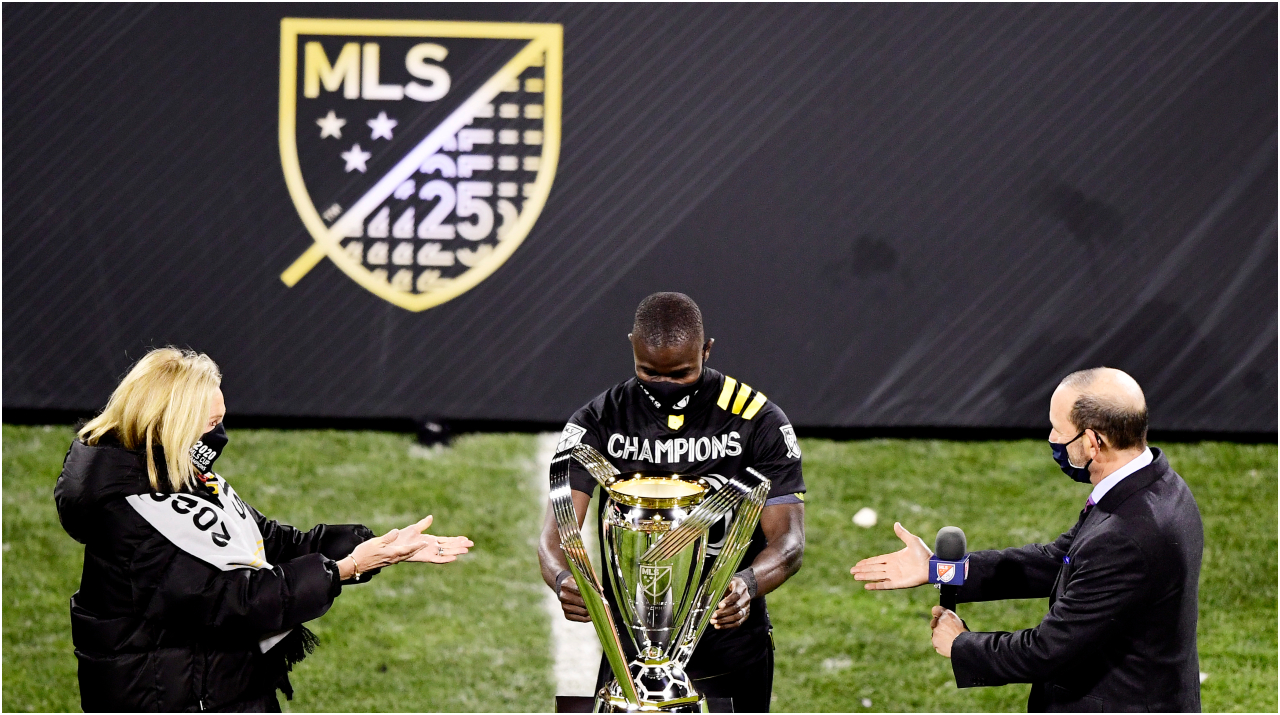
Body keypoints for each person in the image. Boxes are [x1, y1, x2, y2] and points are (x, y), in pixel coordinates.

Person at [54, 347, 473, 712]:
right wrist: (345, 568)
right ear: (172, 425)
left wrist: (377, 546)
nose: (218, 435)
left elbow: (270, 543)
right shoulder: (132, 518)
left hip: (214, 688)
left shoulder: (175, 477)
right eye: (209, 423)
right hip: (171, 699)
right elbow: (239, 601)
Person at [851, 367, 1203, 712]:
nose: (1052, 438)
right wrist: (939, 569)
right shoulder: (1157, 484)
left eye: (1059, 430)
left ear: (1093, 442)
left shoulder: (1126, 534)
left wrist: (961, 644)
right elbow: (1057, 560)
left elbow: (1048, 650)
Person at [537, 292, 806, 713]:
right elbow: (555, 535)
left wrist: (746, 585)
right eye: (648, 371)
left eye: (681, 373)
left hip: (730, 645)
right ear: (632, 347)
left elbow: (789, 541)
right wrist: (562, 580)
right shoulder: (598, 420)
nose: (665, 385)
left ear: (707, 350)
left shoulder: (759, 420)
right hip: (632, 654)